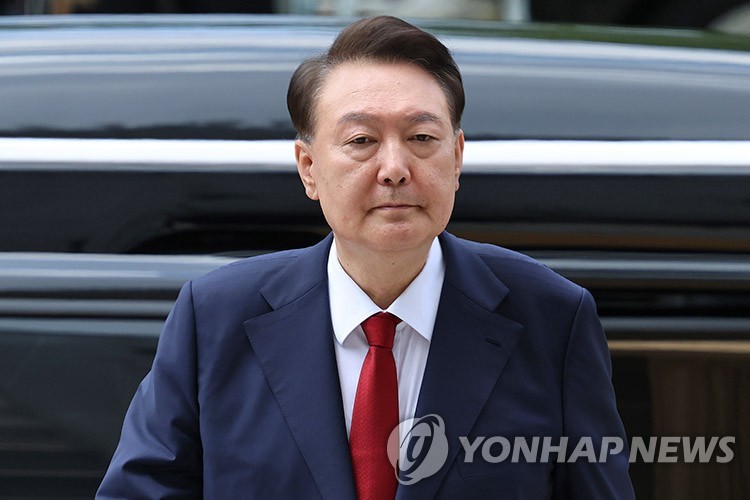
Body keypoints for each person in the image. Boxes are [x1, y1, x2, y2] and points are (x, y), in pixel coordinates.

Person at [97, 16, 634, 499]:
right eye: (361, 140)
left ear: (457, 157)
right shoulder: (215, 318)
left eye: (421, 137)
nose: (395, 168)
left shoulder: (552, 318)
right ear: (309, 168)